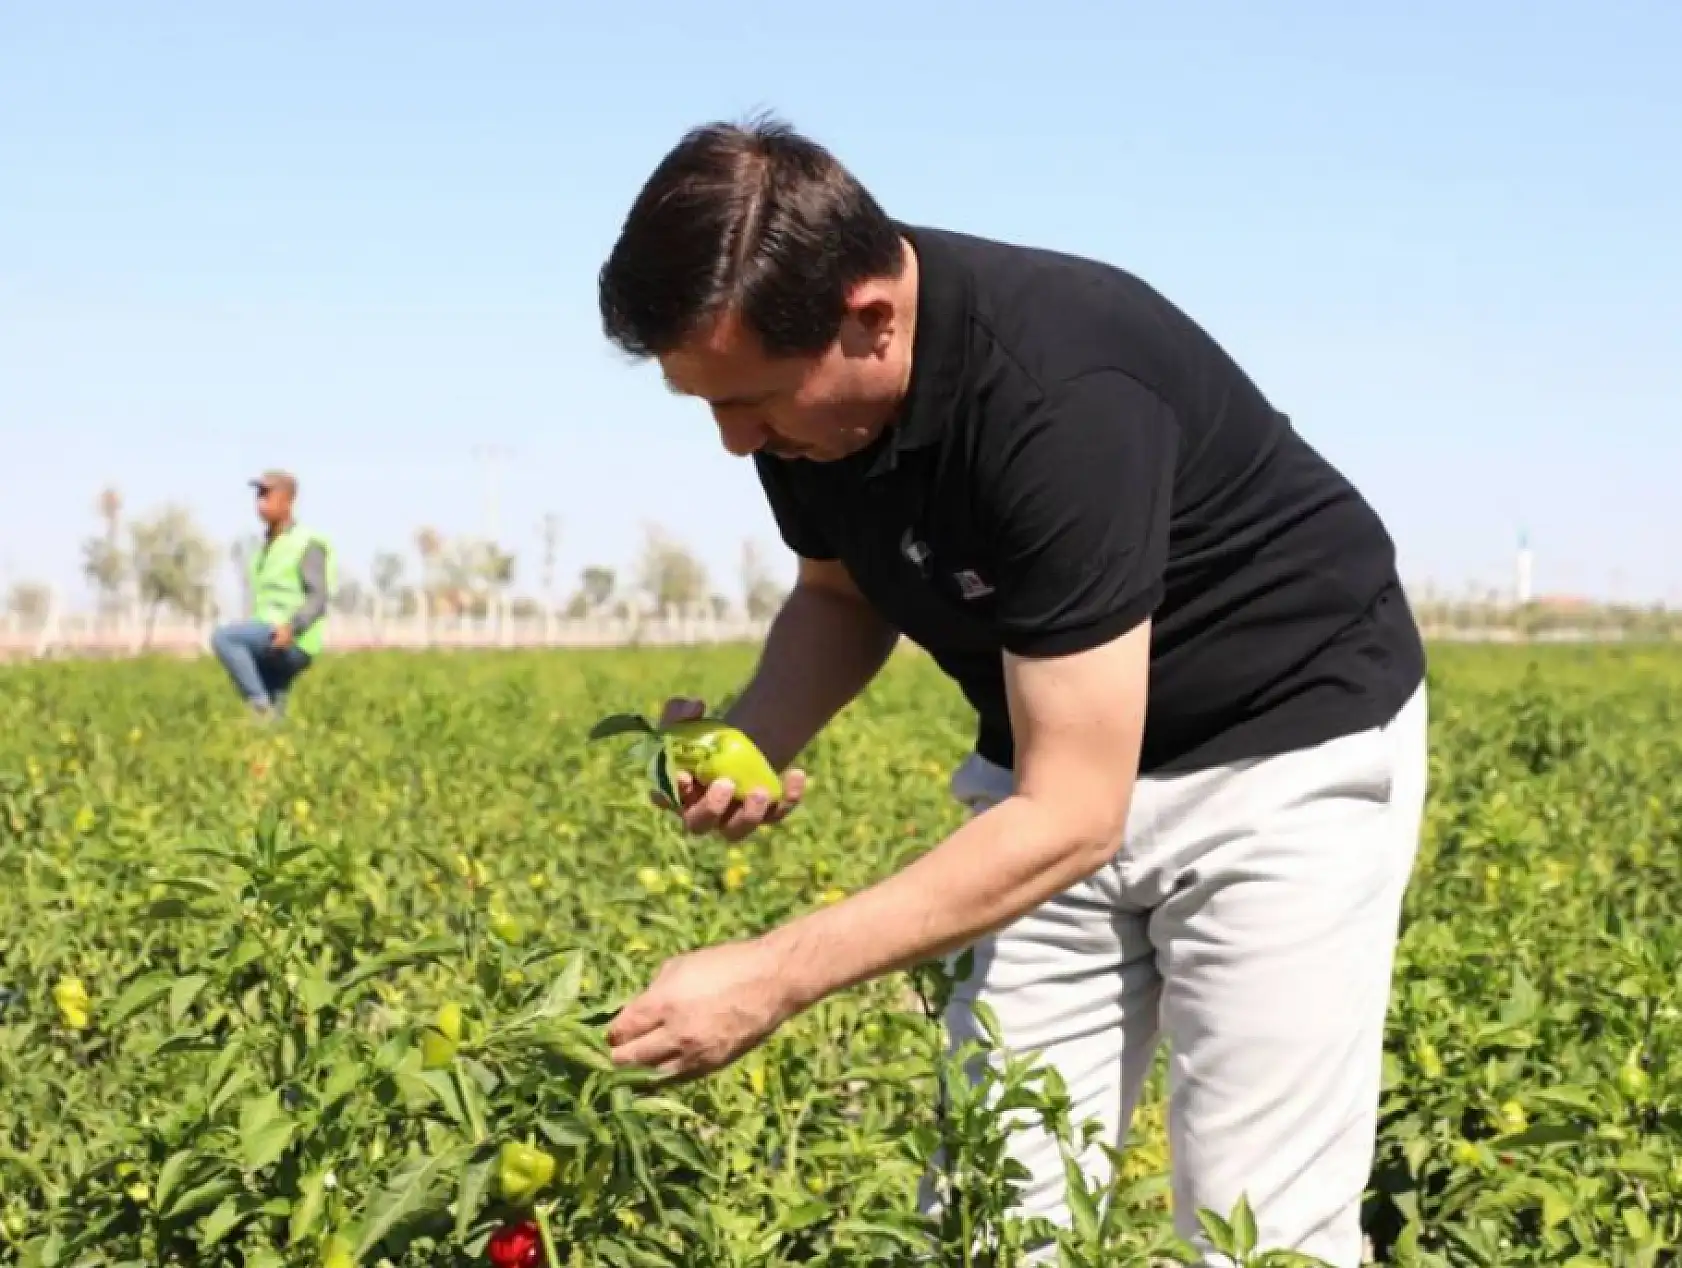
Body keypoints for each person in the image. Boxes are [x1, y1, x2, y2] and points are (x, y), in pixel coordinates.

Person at [594, 115, 1428, 1266]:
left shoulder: (1060, 394)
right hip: (1053, 758)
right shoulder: (811, 421)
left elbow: (1070, 817)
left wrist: (771, 975)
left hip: (1278, 758)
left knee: (1257, 1230)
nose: (736, 443)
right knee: (995, 1205)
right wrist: (753, 733)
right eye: (708, 405)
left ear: (869, 316)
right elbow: (840, 597)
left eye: (753, 400)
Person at [210, 469, 335, 719]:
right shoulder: (264, 549)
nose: (260, 502)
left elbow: (318, 597)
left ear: (288, 501)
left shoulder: (306, 542)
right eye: (259, 495)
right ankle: (270, 729)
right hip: (268, 634)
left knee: (224, 638)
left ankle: (258, 705)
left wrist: (292, 628)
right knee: (274, 720)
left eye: (267, 494)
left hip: (290, 638)